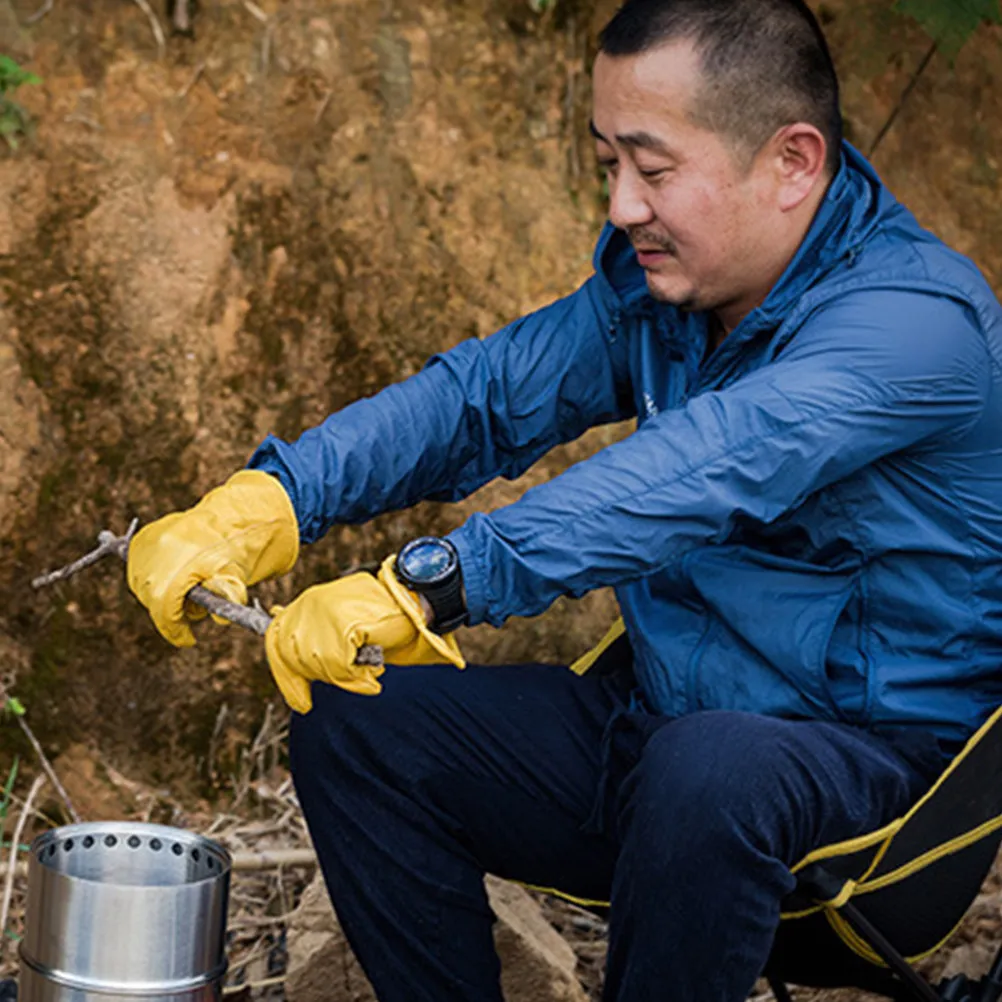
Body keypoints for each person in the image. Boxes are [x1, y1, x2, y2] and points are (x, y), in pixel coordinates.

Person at [126, 0, 1002, 998]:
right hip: (664, 733)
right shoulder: (671, 289)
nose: (622, 206)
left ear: (792, 162)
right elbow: (483, 397)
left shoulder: (913, 330)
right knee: (358, 729)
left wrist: (431, 585)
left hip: (877, 799)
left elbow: (699, 469)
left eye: (653, 170)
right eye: (606, 165)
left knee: (710, 771)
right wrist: (274, 498)